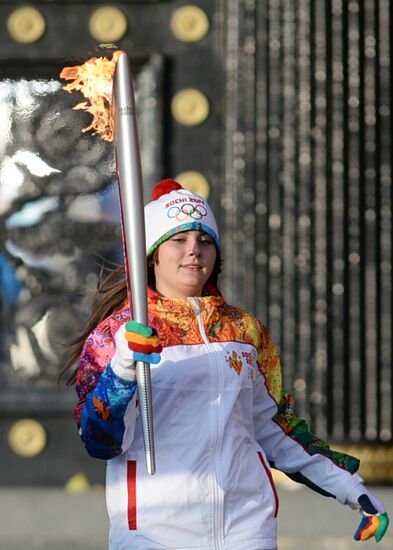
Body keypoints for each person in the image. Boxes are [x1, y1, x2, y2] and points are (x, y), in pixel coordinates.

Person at [64, 179, 389, 550]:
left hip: (245, 531)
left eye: (204, 241)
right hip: (155, 533)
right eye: (178, 240)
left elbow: (278, 430)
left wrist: (350, 489)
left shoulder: (244, 331)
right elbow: (99, 440)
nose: (194, 252)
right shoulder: (118, 334)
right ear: (153, 253)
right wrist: (123, 368)